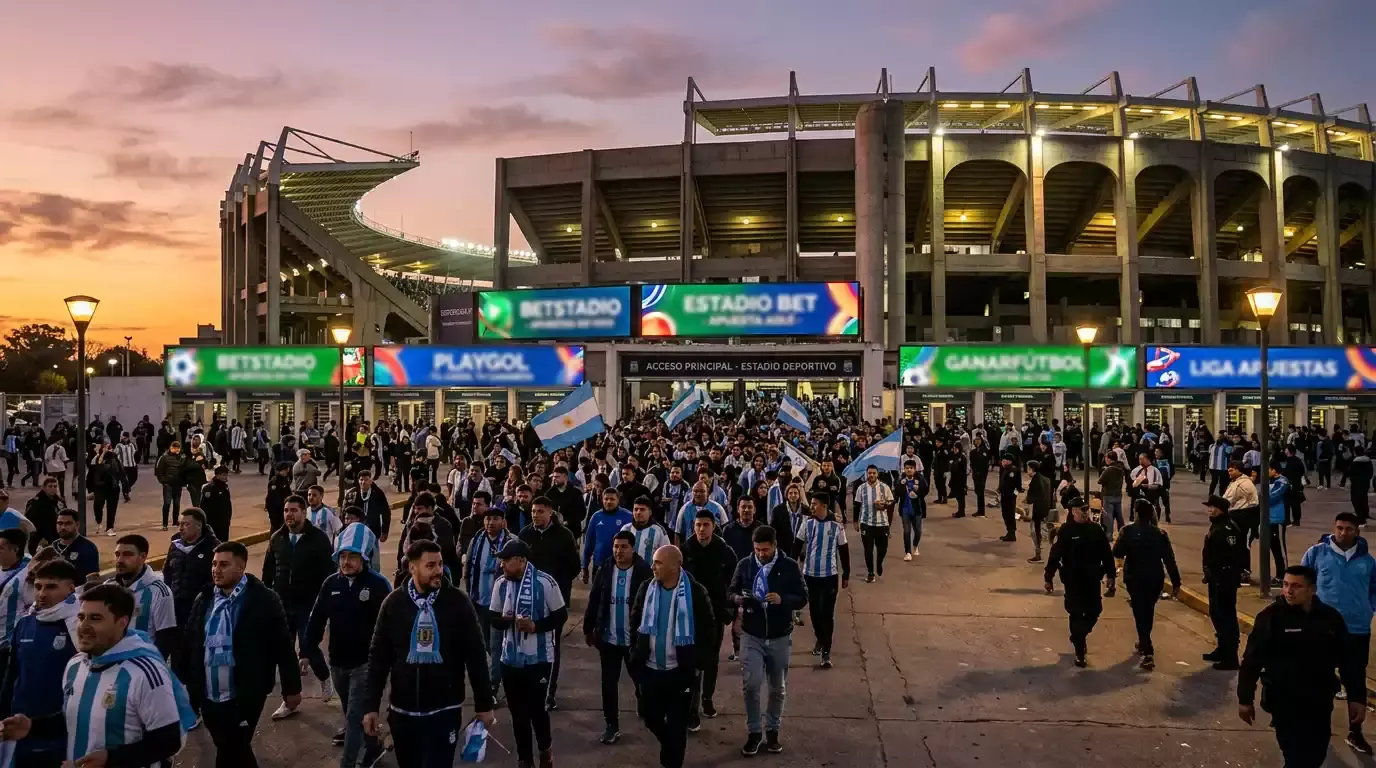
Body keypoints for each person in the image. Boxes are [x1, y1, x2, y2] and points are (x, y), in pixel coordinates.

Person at [2, 583, 195, 767]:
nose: (83, 626)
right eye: (81, 617)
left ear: (122, 622)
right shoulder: (76, 665)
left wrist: (111, 759)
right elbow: (74, 717)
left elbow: (168, 741)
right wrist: (32, 727)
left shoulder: (145, 671)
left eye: (95, 618)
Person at [362, 540, 496, 768]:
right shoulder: (394, 604)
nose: (438, 571)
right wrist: (370, 706)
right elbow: (378, 658)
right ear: (412, 567)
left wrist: (484, 704)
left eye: (440, 564)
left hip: (445, 710)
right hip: (403, 711)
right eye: (430, 565)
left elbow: (475, 656)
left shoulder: (457, 603)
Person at [1238, 565, 1367, 767]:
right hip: (1284, 701)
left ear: (1312, 589)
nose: (1289, 591)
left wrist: (1357, 697)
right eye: (1286, 585)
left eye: (1296, 586)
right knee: (1297, 758)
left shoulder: (1330, 618)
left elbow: (1349, 661)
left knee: (1315, 755)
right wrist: (1244, 699)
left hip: (1319, 701)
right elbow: (1251, 661)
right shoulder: (1271, 617)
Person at [304, 519, 391, 767]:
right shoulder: (331, 584)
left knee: (353, 718)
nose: (346, 562)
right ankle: (373, 747)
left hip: (366, 664)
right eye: (343, 556)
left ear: (364, 557)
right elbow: (317, 617)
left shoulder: (378, 585)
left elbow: (389, 627)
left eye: (353, 556)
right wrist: (307, 650)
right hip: (338, 662)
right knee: (355, 714)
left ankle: (350, 763)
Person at [630, 544, 715, 768]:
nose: (652, 567)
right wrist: (634, 655)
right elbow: (635, 622)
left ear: (675, 566)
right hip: (650, 670)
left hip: (680, 672)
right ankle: (669, 745)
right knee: (649, 716)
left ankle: (672, 760)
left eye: (658, 562)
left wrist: (698, 663)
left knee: (678, 725)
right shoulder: (646, 589)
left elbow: (709, 632)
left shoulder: (695, 592)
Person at [1299, 511, 1376, 755]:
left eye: (1349, 529)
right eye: (1339, 528)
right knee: (1316, 679)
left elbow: (1374, 589)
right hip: (1322, 629)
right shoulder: (1316, 553)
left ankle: (1355, 732)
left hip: (1356, 629)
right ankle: (1312, 728)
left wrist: (1368, 610)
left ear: (1357, 531)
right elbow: (1301, 583)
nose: (1343, 533)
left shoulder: (1368, 561)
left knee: (1355, 681)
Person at [729, 525, 808, 756]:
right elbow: (731, 591)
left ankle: (772, 731)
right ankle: (754, 733)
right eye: (757, 550)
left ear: (774, 546)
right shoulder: (745, 565)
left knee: (777, 688)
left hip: (780, 635)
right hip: (752, 635)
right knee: (751, 685)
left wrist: (783, 599)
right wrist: (738, 600)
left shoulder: (789, 567)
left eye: (765, 550)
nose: (761, 554)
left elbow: (803, 597)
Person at [488, 540, 567, 768]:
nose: (502, 565)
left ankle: (545, 751)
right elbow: (493, 618)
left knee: (537, 711)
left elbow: (560, 616)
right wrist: (509, 620)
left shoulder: (545, 582)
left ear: (522, 561)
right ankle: (524, 759)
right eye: (501, 560)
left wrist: (535, 626)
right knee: (517, 714)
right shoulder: (501, 584)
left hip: (539, 660)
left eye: (507, 560)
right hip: (510, 660)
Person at [262, 494, 336, 718]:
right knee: (284, 653)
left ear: (304, 513)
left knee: (309, 645)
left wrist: (325, 604)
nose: (289, 514)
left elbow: (328, 574)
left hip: (308, 604)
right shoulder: (277, 538)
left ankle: (324, 678)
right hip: (282, 603)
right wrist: (267, 597)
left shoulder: (319, 539)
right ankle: (290, 699)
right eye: (286, 510)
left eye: (294, 510)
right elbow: (268, 572)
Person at [0, 557, 79, 767]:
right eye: (38, 586)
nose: (42, 593)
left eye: (51, 587)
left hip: (61, 729)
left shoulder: (79, 626)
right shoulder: (25, 623)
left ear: (71, 589)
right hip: (21, 723)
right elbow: (12, 673)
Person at [584, 530, 651, 744]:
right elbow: (595, 598)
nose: (618, 551)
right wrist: (589, 627)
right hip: (609, 638)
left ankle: (643, 702)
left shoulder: (643, 572)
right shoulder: (605, 568)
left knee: (640, 679)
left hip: (633, 641)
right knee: (608, 683)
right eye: (616, 547)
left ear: (633, 549)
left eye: (623, 547)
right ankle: (611, 724)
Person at [519, 496, 579, 711]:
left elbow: (574, 567)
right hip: (528, 599)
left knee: (551, 645)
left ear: (550, 513)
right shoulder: (525, 534)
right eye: (533, 511)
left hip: (554, 601)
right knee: (527, 643)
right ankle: (529, 687)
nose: (536, 515)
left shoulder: (564, 535)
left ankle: (548, 692)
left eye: (540, 511)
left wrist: (556, 587)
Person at [1043, 494, 1116, 667]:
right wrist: (1048, 577)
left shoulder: (1096, 530)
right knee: (1075, 613)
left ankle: (1078, 636)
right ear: (1073, 512)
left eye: (1086, 509)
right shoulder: (1067, 531)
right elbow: (1055, 556)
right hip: (1073, 580)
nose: (1085, 513)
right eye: (1082, 510)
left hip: (1092, 579)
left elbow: (1106, 555)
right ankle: (1079, 651)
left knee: (1094, 610)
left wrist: (1111, 575)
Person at [679, 508, 736, 728]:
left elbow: (734, 581)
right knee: (691, 662)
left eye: (706, 525)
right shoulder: (686, 549)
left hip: (715, 615)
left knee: (711, 660)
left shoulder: (724, 551)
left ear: (713, 526)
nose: (701, 529)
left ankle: (707, 698)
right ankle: (691, 709)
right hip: (690, 614)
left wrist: (729, 611)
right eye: (698, 525)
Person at [1111, 499, 1182, 671]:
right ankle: (1144, 641)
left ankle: (1147, 647)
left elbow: (1117, 552)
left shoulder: (1128, 531)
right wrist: (1176, 582)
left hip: (1135, 578)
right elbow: (1169, 560)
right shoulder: (1160, 534)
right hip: (1154, 578)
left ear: (1136, 513)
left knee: (1139, 611)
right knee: (1147, 610)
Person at [795, 492, 849, 668]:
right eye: (811, 503)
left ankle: (826, 650)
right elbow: (796, 547)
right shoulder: (807, 524)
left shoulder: (836, 526)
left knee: (827, 614)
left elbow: (843, 550)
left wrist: (846, 574)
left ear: (824, 506)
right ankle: (820, 637)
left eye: (815, 503)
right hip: (810, 576)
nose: (812, 506)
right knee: (815, 612)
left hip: (829, 577)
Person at [465, 505, 513, 697]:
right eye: (487, 519)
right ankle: (501, 670)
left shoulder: (510, 543)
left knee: (494, 644)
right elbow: (469, 566)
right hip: (478, 600)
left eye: (495, 519)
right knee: (485, 642)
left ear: (503, 522)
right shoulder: (477, 540)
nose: (490, 523)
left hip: (499, 605)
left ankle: (493, 686)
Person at [106, 533, 177, 656]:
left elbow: (165, 637)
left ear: (142, 557)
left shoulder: (159, 591)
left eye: (127, 555)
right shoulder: (108, 587)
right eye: (117, 554)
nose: (120, 560)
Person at [1201, 494, 1248, 670]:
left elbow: (1235, 556)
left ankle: (1231, 657)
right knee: (1216, 614)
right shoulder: (1217, 526)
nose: (1210, 510)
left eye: (1213, 507)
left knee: (1226, 617)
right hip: (1215, 579)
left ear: (1222, 509)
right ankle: (1222, 649)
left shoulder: (1228, 529)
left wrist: (1224, 575)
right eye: (1209, 507)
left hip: (1225, 579)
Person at [581, 488, 633, 584]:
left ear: (618, 500)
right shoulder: (596, 517)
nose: (609, 502)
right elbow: (589, 543)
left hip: (621, 565)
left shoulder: (628, 516)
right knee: (597, 596)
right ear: (602, 499)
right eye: (606, 499)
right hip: (599, 564)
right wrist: (584, 566)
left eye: (612, 499)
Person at [853, 466, 894, 582]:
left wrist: (884, 505)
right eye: (869, 473)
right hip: (867, 523)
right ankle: (870, 572)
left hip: (882, 523)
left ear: (877, 474)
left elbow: (891, 503)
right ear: (866, 474)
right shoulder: (861, 488)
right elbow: (857, 505)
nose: (871, 475)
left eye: (873, 473)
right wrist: (855, 521)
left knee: (883, 549)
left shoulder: (884, 487)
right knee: (868, 549)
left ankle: (879, 562)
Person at [50, 508, 100, 584]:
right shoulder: (53, 546)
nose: (63, 527)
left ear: (77, 524)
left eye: (68, 523)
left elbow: (92, 580)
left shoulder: (88, 547)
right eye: (60, 523)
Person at [622, 496, 672, 563]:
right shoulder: (626, 529)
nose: (638, 512)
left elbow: (666, 554)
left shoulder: (659, 530)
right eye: (636, 509)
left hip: (650, 572)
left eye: (642, 509)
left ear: (650, 512)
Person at [87, 442, 122, 536]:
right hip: (99, 487)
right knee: (98, 506)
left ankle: (110, 527)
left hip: (113, 487)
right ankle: (98, 521)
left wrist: (125, 487)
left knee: (111, 508)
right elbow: (91, 474)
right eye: (105, 448)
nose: (107, 450)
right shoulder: (96, 459)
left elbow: (121, 472)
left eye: (109, 448)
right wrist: (90, 489)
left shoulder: (115, 459)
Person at [1024, 460, 1055, 563]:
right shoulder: (1046, 479)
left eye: (1028, 468)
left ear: (1032, 469)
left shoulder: (1035, 481)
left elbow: (1031, 499)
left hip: (1038, 510)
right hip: (1046, 509)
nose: (1027, 471)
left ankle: (1038, 555)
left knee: (1035, 532)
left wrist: (1027, 493)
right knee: (1039, 530)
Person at [154, 441, 190, 531]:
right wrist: (163, 481)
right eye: (174, 448)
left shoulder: (182, 457)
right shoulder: (164, 457)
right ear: (171, 447)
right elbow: (158, 471)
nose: (176, 450)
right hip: (168, 485)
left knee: (177, 504)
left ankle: (175, 521)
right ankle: (165, 524)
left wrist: (184, 481)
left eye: (178, 448)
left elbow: (186, 469)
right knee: (167, 504)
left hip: (178, 484)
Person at [23, 476, 63, 553]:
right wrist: (40, 537)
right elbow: (29, 521)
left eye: (55, 486)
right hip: (39, 539)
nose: (53, 488)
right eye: (50, 486)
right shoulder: (35, 502)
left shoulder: (60, 501)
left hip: (57, 537)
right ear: (44, 488)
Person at [896, 459, 925, 560]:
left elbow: (926, 490)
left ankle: (915, 545)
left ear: (915, 469)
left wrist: (918, 492)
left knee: (918, 531)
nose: (909, 470)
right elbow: (896, 492)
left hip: (917, 509)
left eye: (911, 468)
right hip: (905, 509)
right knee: (907, 531)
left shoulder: (920, 478)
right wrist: (900, 485)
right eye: (907, 468)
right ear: (904, 469)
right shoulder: (901, 480)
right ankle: (907, 552)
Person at [1096, 453, 1125, 538]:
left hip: (1108, 495)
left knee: (1108, 517)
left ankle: (1108, 536)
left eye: (1106, 458)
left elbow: (1100, 481)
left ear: (1109, 459)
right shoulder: (1120, 468)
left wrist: (1105, 470)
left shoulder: (1108, 469)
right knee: (1119, 516)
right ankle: (1123, 535)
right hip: (1118, 495)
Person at [997, 454, 1023, 542]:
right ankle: (1009, 532)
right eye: (1002, 461)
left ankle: (1012, 534)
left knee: (1009, 514)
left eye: (1004, 461)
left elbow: (1018, 485)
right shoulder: (1006, 469)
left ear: (1010, 461)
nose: (1002, 462)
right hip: (1004, 495)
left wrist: (1014, 494)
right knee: (1005, 513)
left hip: (1009, 496)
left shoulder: (1013, 470)